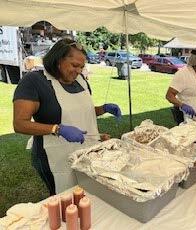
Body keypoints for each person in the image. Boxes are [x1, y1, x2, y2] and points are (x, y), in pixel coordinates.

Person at [13, 38, 122, 195]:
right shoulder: (35, 81)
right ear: (58, 60)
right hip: (53, 157)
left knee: (87, 193)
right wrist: (56, 129)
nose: (79, 71)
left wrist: (103, 109)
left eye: (82, 67)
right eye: (74, 65)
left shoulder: (80, 80)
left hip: (84, 152)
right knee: (64, 196)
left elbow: (83, 112)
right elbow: (19, 124)